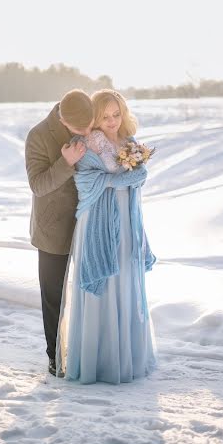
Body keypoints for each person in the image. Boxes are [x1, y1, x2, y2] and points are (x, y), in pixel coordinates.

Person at [56, 89, 157, 384]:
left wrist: (132, 177)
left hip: (126, 219)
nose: (112, 121)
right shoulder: (84, 144)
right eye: (105, 116)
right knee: (104, 283)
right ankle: (98, 361)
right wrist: (120, 179)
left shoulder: (130, 143)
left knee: (125, 277)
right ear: (94, 117)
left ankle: (126, 357)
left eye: (117, 114)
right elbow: (86, 181)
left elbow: (137, 177)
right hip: (97, 221)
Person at [25, 89, 94, 376]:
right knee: (53, 296)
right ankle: (55, 356)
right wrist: (65, 162)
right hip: (53, 228)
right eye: (82, 130)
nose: (88, 132)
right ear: (64, 121)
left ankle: (90, 350)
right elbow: (38, 185)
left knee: (92, 291)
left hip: (90, 224)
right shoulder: (38, 136)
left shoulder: (87, 120)